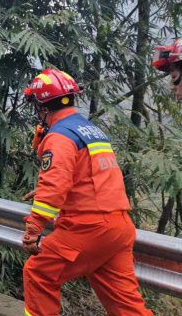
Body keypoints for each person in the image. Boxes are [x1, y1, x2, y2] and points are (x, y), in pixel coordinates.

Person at [20, 69, 153, 316]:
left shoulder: (59, 135)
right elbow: (88, 178)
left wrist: (33, 228)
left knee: (38, 273)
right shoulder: (91, 131)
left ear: (42, 106)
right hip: (119, 227)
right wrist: (45, 189)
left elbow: (55, 186)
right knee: (127, 306)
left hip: (88, 227)